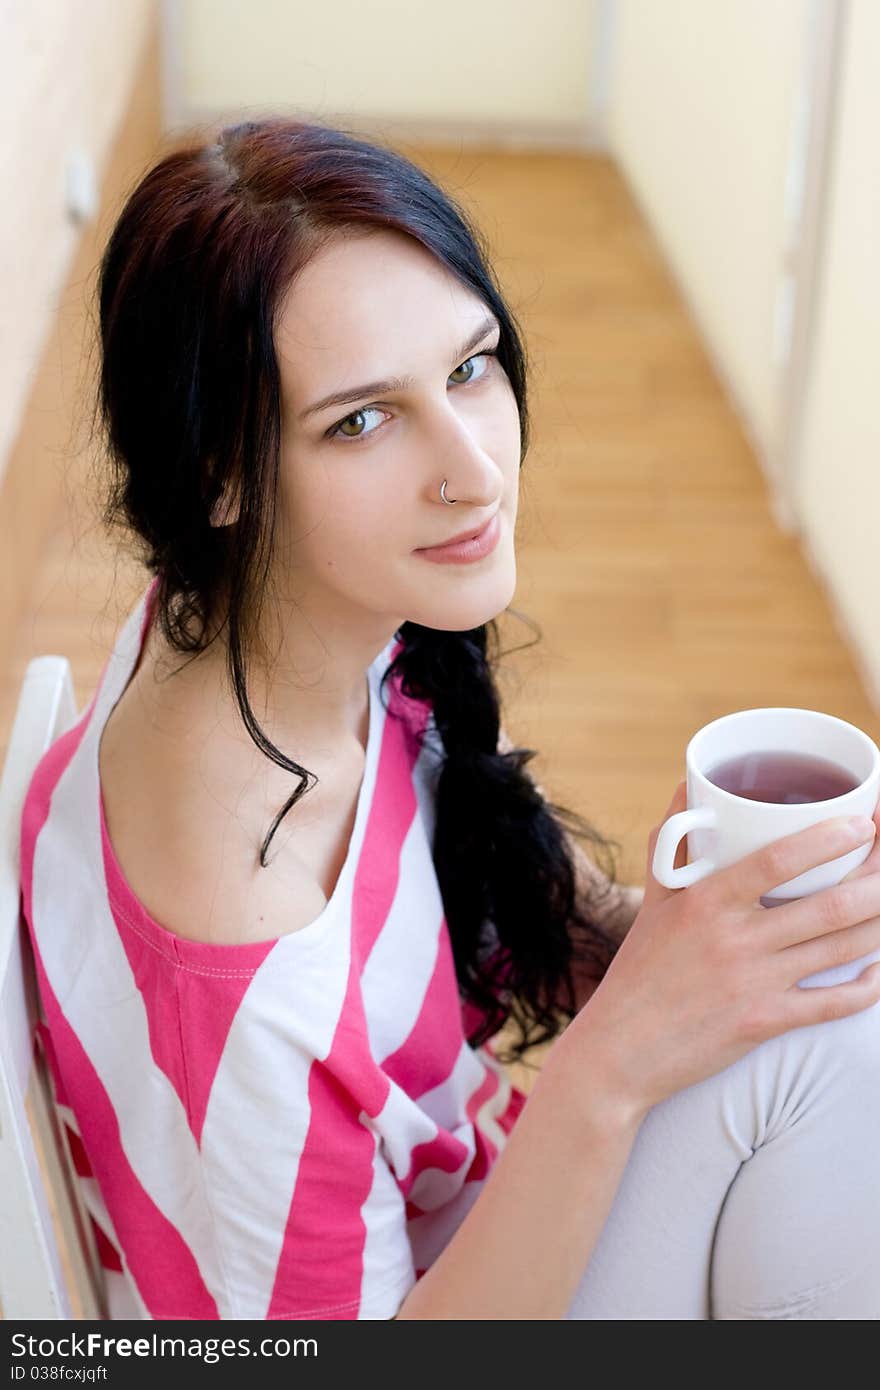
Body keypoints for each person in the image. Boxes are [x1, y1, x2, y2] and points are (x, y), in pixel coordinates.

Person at [19, 117, 880, 1322]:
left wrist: (702, 939)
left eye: (470, 366)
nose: (472, 468)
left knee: (842, 1011)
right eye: (361, 421)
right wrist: (620, 1052)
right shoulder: (242, 968)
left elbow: (462, 901)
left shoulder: (258, 622)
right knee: (836, 1060)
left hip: (471, 1200)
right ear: (215, 472)